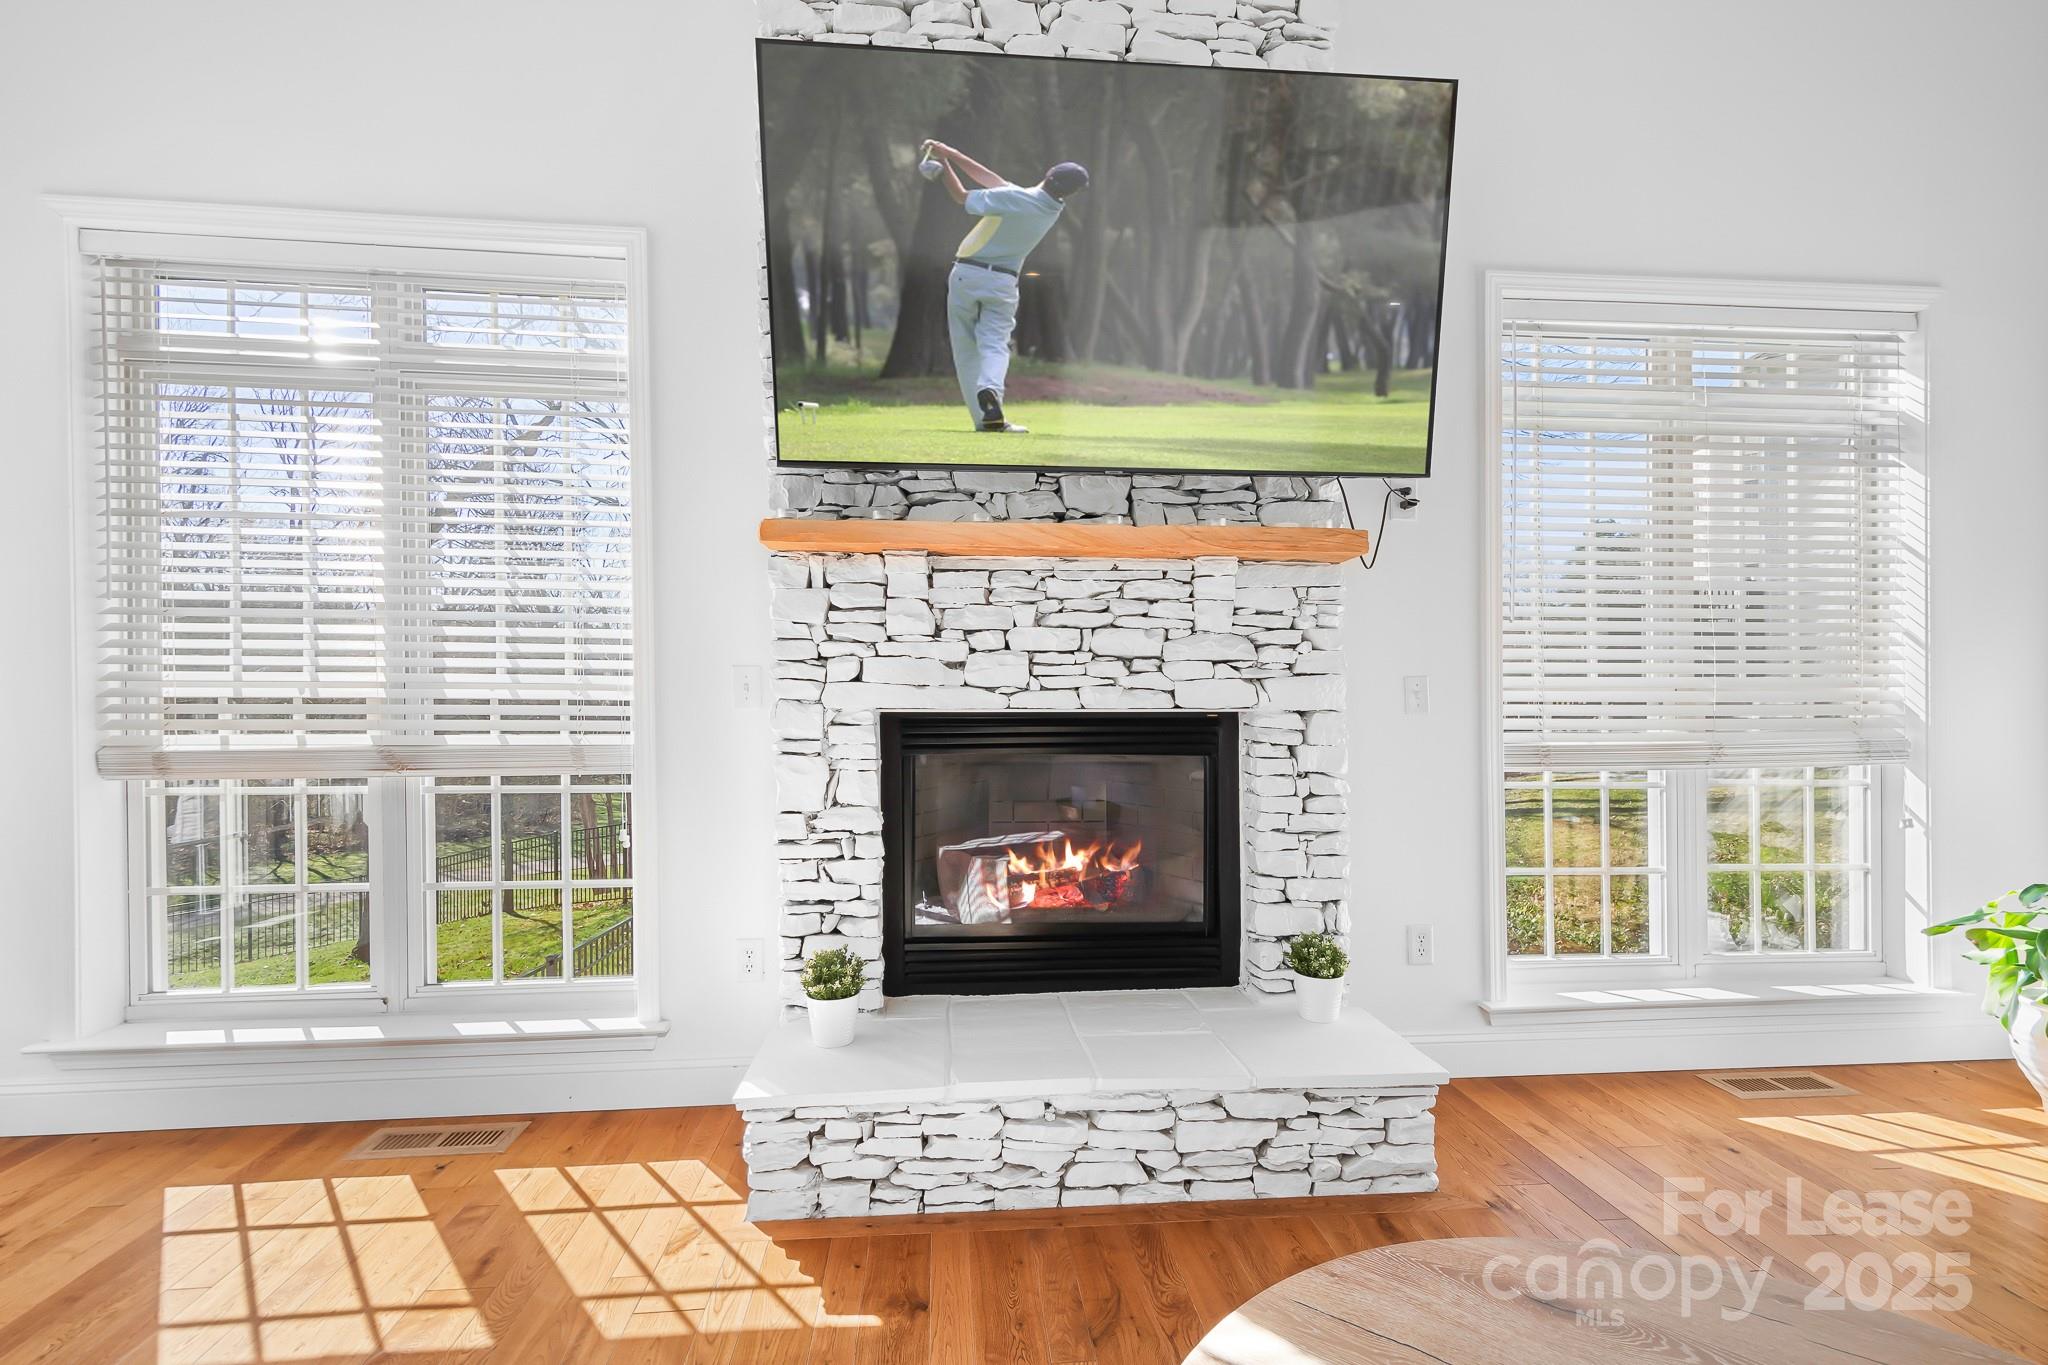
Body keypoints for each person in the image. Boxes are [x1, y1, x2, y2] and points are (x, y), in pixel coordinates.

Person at [922, 141, 1089, 433]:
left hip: (966, 275)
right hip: (1003, 282)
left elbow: (961, 196)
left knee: (966, 349)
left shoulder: (1015, 197)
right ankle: (990, 393)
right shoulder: (1051, 208)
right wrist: (952, 154)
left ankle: (982, 418)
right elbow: (994, 181)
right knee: (995, 344)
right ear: (1071, 193)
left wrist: (943, 164)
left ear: (1049, 173)